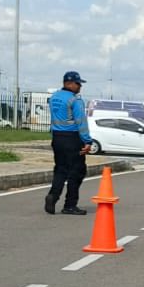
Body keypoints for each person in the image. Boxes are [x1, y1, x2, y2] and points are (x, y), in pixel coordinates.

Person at [45, 71, 94, 215]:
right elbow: (81, 122)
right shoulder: (75, 100)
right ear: (69, 83)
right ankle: (70, 205)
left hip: (57, 138)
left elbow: (55, 118)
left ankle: (53, 196)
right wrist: (87, 141)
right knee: (77, 171)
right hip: (72, 139)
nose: (80, 87)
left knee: (60, 169)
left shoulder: (54, 98)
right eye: (78, 83)